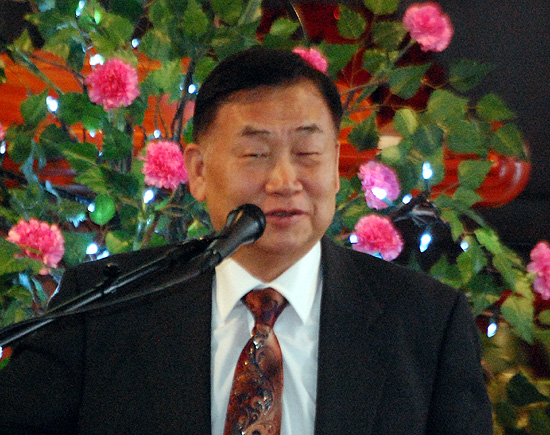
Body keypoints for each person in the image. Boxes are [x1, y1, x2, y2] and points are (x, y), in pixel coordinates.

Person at [0, 47, 492, 434]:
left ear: (336, 164)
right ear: (197, 171)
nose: (284, 181)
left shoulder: (428, 321)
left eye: (307, 152)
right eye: (255, 154)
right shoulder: (104, 307)